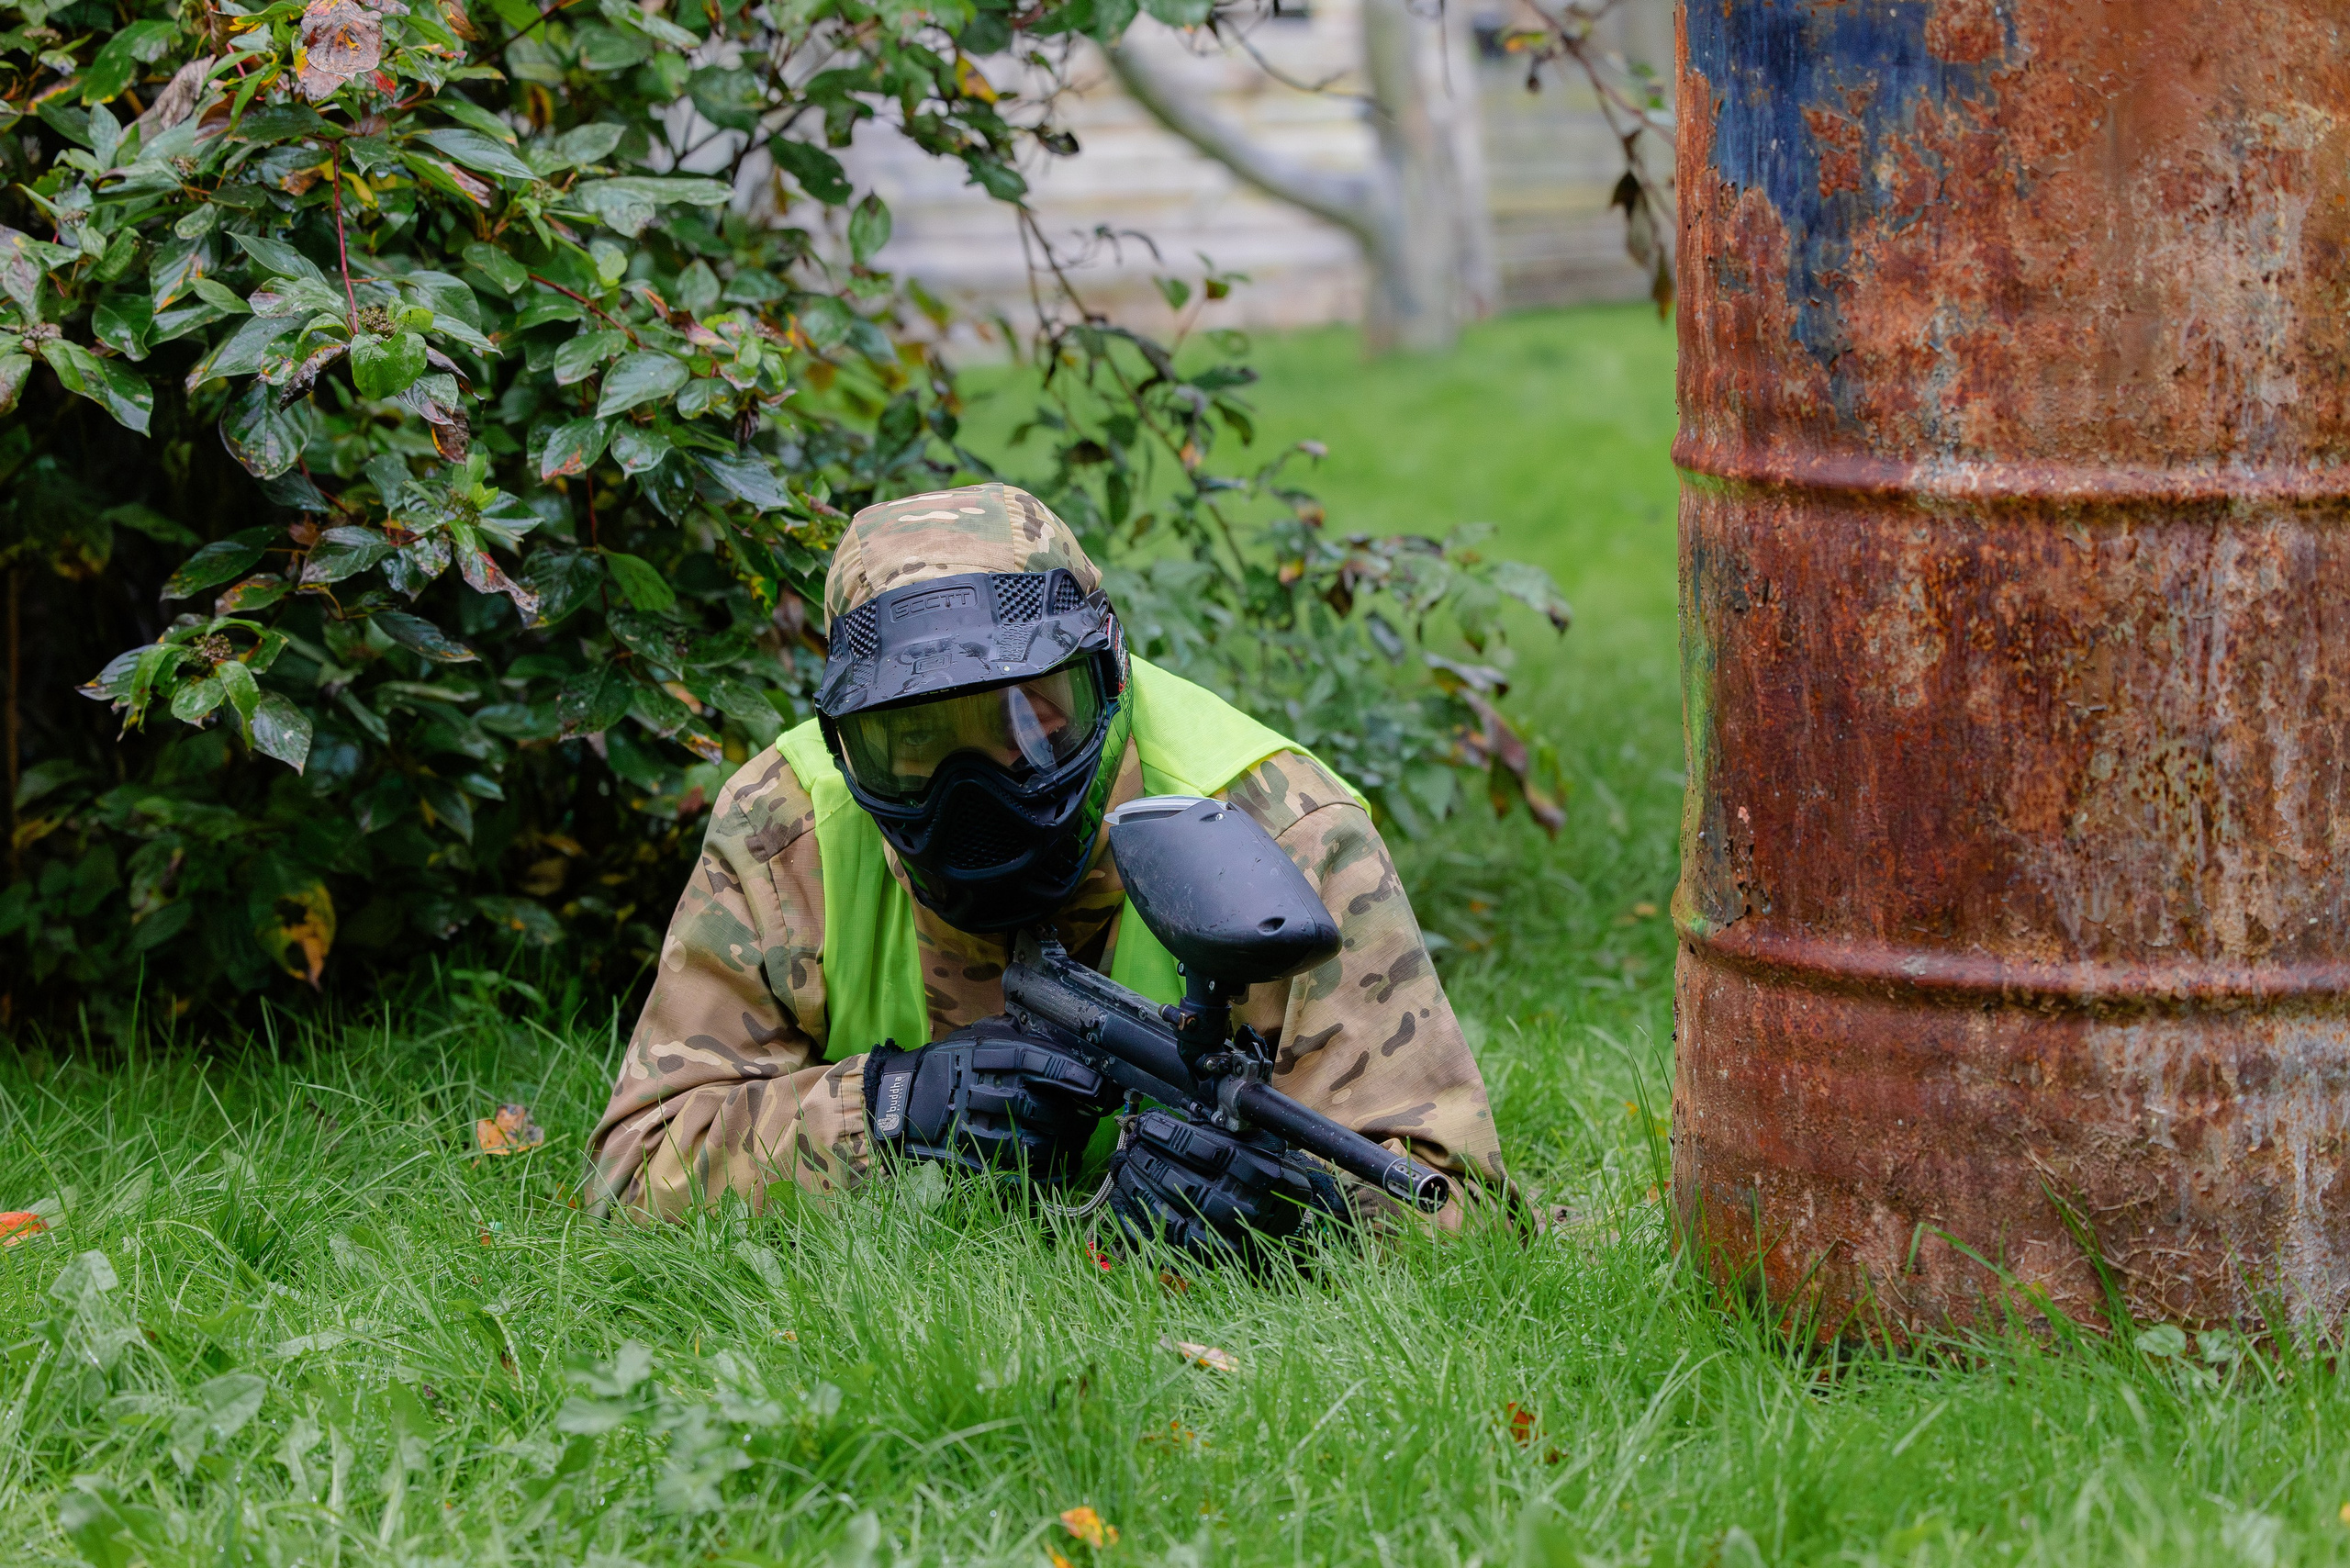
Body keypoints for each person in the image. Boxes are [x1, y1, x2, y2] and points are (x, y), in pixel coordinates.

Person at [587, 482, 1506, 1253]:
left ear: (1110, 677)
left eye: (1028, 719)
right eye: (910, 742)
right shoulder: (786, 827)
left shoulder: (1278, 826)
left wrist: (1294, 1222)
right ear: (841, 740)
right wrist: (883, 1110)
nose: (975, 792)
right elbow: (630, 1179)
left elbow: (1459, 1204)